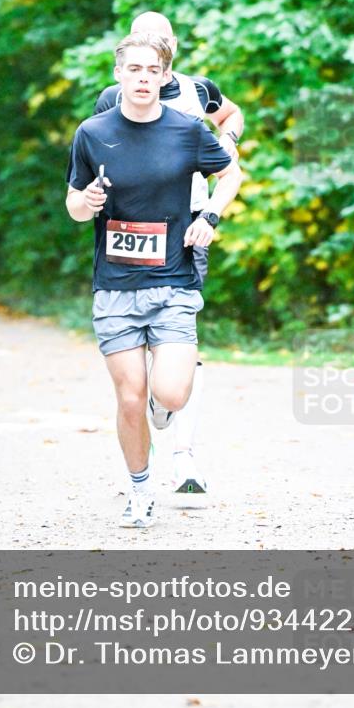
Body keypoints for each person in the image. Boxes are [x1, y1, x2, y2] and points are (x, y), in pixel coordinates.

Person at [66, 32, 243, 528]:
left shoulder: (187, 130)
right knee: (127, 398)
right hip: (115, 285)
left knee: (170, 395)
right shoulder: (92, 132)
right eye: (134, 69)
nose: (143, 78)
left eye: (152, 71)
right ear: (119, 74)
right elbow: (74, 205)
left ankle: (159, 406)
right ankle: (139, 488)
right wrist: (88, 204)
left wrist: (210, 214)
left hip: (173, 280)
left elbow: (230, 174)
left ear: (166, 77)